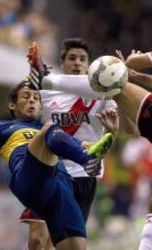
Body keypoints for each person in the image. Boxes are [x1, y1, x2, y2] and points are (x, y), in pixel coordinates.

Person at [27, 8, 152, 250]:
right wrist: (135, 76)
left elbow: (133, 62)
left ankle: (46, 79)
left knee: (112, 78)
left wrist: (130, 64)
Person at [0, 81, 118, 250]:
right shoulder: (2, 128)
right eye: (26, 97)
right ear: (12, 104)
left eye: (36, 98)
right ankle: (86, 161)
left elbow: (94, 148)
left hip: (60, 187)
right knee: (49, 129)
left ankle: (86, 160)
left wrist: (111, 132)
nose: (32, 101)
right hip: (28, 180)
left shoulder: (54, 133)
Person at [20, 38, 117, 250]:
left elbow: (114, 137)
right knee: (37, 239)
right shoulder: (45, 92)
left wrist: (112, 130)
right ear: (62, 63)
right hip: (49, 170)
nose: (77, 63)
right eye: (72, 58)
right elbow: (26, 113)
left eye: (83, 59)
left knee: (62, 245)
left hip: (84, 175)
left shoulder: (102, 96)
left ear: (90, 66)